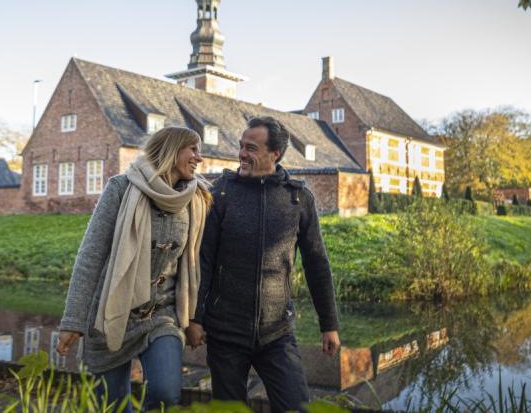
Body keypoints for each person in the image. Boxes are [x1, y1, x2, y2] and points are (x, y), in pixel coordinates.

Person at [187, 116, 341, 413]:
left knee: (296, 408)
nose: (242, 154)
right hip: (225, 334)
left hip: (277, 334)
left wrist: (329, 324)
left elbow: (316, 263)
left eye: (252, 148)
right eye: (242, 146)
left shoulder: (298, 198)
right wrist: (196, 318)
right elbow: (203, 261)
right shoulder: (221, 193)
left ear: (275, 154)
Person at [55, 126, 212, 412]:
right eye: (193, 149)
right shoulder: (121, 188)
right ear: (172, 150)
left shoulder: (197, 198)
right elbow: (90, 257)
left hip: (162, 314)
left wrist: (193, 318)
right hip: (111, 312)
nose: (198, 158)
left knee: (166, 392)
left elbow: (198, 263)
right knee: (113, 405)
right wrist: (72, 322)